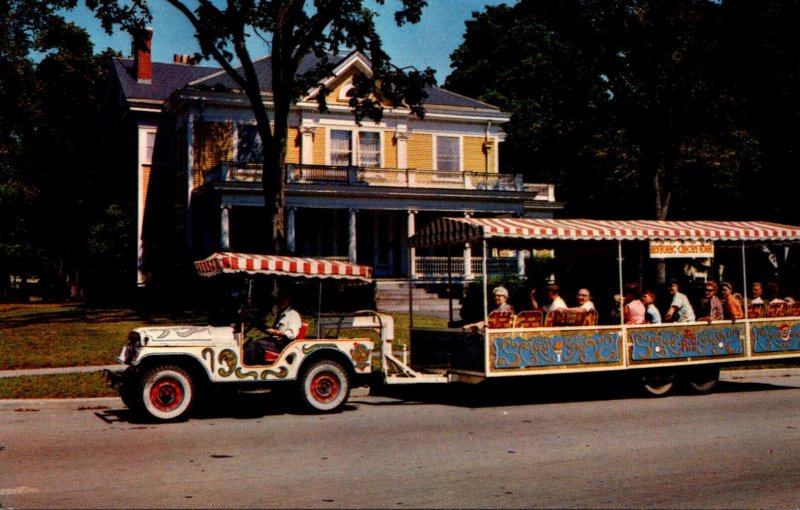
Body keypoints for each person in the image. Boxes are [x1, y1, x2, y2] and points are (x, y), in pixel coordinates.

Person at [244, 292, 302, 365]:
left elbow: (292, 334)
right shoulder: (281, 314)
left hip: (283, 345)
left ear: (289, 300)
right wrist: (261, 327)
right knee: (252, 341)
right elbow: (273, 331)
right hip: (276, 342)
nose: (281, 301)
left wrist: (274, 332)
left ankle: (247, 366)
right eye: (279, 299)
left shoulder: (293, 315)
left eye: (283, 299)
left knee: (255, 344)